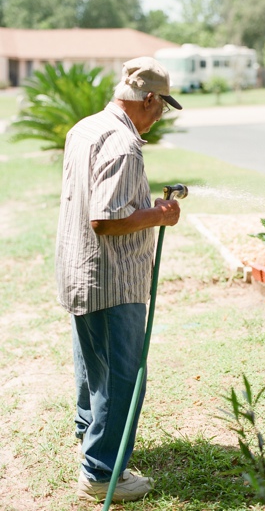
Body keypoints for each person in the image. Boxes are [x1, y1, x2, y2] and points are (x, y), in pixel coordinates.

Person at [55, 57, 183, 502]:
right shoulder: (124, 144)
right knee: (123, 377)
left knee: (95, 366)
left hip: (79, 270)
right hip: (110, 279)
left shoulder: (85, 127)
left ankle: (90, 436)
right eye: (162, 106)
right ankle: (101, 471)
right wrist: (161, 214)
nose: (160, 115)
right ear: (148, 98)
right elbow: (106, 219)